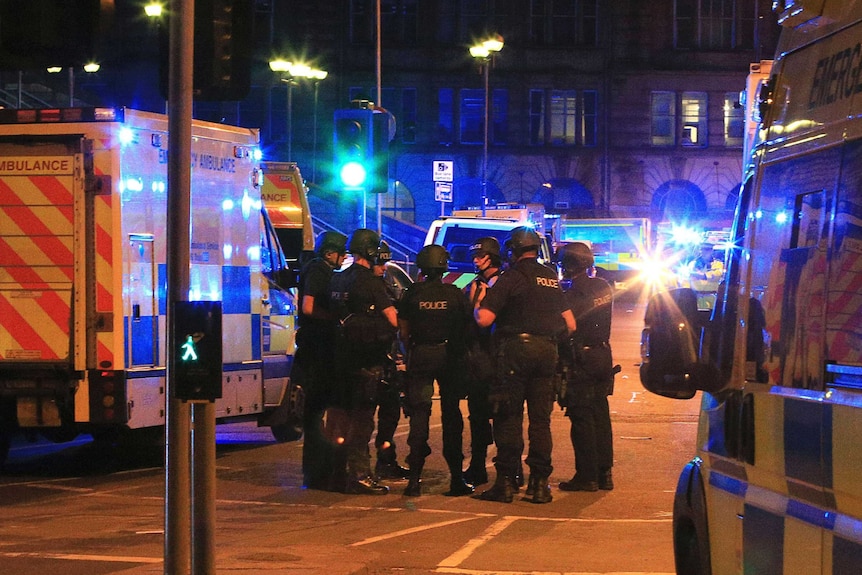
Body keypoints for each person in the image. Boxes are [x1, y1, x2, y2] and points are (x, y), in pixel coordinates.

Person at [474, 226, 575, 504]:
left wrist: (479, 301)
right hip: (547, 352)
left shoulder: (511, 277)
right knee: (541, 421)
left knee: (509, 417)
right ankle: (540, 485)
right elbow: (571, 324)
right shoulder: (550, 277)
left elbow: (484, 319)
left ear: (512, 250)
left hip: (515, 352)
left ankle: (505, 483)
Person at [326, 228, 398, 495]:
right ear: (370, 250)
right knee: (362, 421)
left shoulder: (338, 279)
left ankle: (335, 474)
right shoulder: (370, 282)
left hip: (338, 359)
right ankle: (359, 475)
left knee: (339, 419)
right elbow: (392, 318)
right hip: (367, 362)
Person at [398, 244, 474, 497]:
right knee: (451, 415)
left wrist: (412, 351)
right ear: (444, 265)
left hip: (420, 354)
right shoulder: (454, 294)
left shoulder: (411, 293)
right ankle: (456, 479)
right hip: (449, 356)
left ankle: (414, 480)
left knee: (419, 414)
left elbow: (404, 331)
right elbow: (466, 327)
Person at [556, 242, 616, 492]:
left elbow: (567, 327)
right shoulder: (604, 286)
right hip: (603, 355)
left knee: (581, 417)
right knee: (600, 414)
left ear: (570, 266)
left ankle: (586, 476)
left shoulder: (571, 295)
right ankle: (605, 473)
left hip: (582, 359)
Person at [296, 231, 347, 490]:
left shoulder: (319, 269)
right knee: (316, 413)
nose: (344, 257)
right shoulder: (318, 270)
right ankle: (316, 473)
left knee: (318, 413)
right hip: (316, 350)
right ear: (329, 253)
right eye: (341, 253)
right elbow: (308, 306)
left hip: (316, 349)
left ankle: (319, 470)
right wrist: (333, 319)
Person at [461, 237, 502, 487]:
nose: (475, 260)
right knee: (477, 416)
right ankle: (477, 466)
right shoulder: (474, 283)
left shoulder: (504, 283)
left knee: (503, 416)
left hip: (498, 357)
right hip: (479, 358)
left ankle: (509, 468)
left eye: (480, 255)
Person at [370, 240, 409, 480]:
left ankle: (385, 460)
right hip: (370, 358)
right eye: (380, 262)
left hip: (384, 357)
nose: (384, 267)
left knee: (390, 412)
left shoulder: (382, 283)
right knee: (365, 417)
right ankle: (363, 466)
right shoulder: (367, 285)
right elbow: (394, 320)